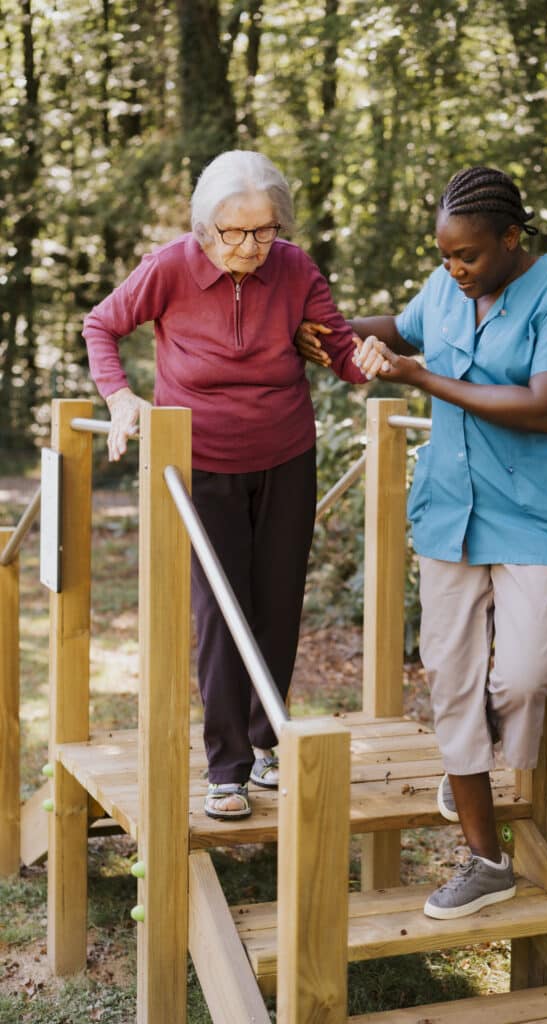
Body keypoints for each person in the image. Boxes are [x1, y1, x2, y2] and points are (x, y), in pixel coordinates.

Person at [297, 166, 547, 918]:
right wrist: (325, 336)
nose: (453, 270)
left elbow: (541, 406)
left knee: (530, 672)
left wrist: (416, 378)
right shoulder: (443, 291)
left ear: (510, 237)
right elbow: (397, 332)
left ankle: (479, 743)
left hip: (532, 511)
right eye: (443, 257)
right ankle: (483, 858)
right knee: (451, 679)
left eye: (466, 256)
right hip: (449, 510)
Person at [83, 150, 367, 821]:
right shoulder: (170, 265)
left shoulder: (293, 268)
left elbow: (345, 355)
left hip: (286, 453)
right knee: (220, 607)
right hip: (200, 456)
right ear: (206, 228)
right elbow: (102, 324)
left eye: (265, 231)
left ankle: (267, 742)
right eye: (235, 233)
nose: (250, 247)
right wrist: (121, 398)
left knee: (277, 600)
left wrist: (377, 358)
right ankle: (226, 765)